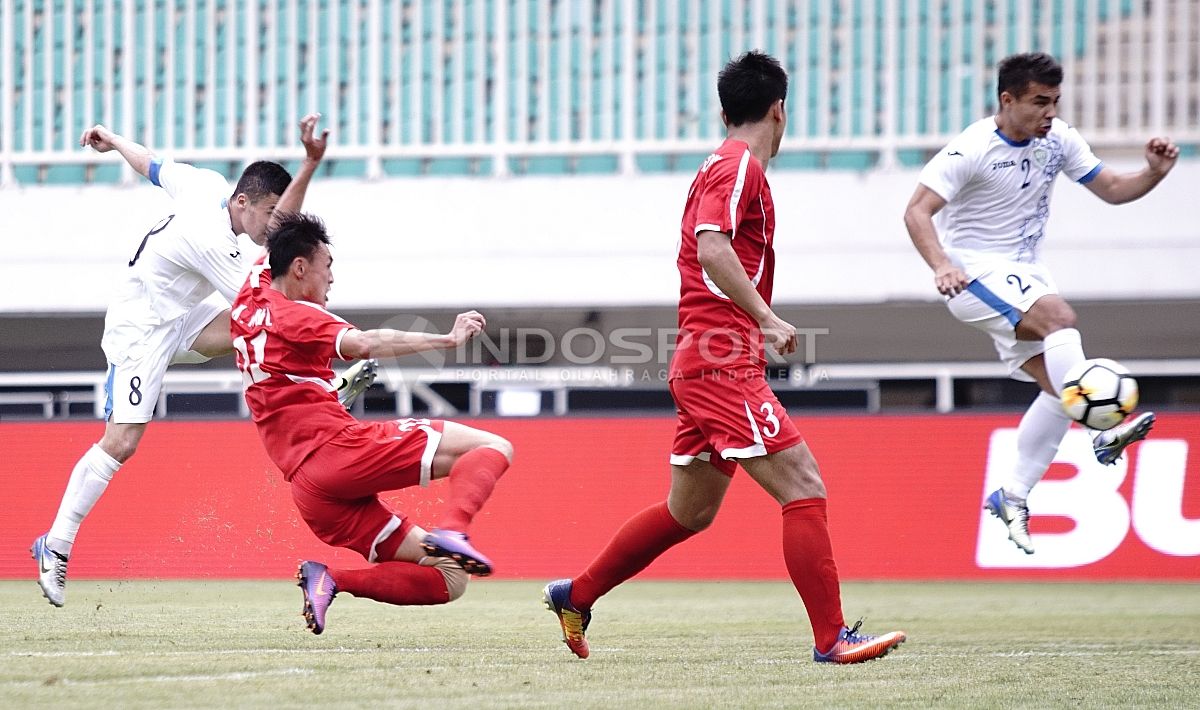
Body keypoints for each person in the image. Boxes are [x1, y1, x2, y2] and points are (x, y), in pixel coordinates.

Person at [542, 52, 906, 664]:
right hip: (720, 362)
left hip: (703, 359)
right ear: (779, 110)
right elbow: (711, 246)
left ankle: (575, 594)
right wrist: (764, 318)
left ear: (723, 109)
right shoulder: (738, 166)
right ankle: (831, 638)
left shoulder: (722, 164)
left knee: (689, 512)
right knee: (804, 486)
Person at [31, 115, 375, 607]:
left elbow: (153, 166)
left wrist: (113, 140)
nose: (275, 225)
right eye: (270, 212)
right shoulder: (212, 239)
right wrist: (346, 335)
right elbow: (269, 303)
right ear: (243, 203)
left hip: (180, 317)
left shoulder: (207, 185)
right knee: (122, 441)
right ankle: (55, 544)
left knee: (246, 329)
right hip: (140, 331)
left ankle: (321, 388)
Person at [903, 52, 1178, 555]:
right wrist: (942, 265)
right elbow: (917, 211)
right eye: (1038, 102)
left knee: (1058, 389)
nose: (1048, 112)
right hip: (973, 273)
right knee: (1061, 319)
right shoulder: (971, 148)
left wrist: (1154, 172)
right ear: (1007, 100)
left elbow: (1113, 191)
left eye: (1054, 101)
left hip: (1024, 275)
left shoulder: (1059, 139)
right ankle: (1106, 429)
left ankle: (1013, 495)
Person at [231, 212, 512, 635]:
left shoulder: (249, 298)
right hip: (337, 452)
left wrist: (309, 165)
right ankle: (453, 530)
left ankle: (330, 580)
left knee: (449, 578)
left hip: (312, 492)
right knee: (492, 448)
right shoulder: (298, 317)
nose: (331, 280)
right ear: (301, 268)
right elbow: (364, 343)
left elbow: (273, 242)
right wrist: (446, 341)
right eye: (328, 267)